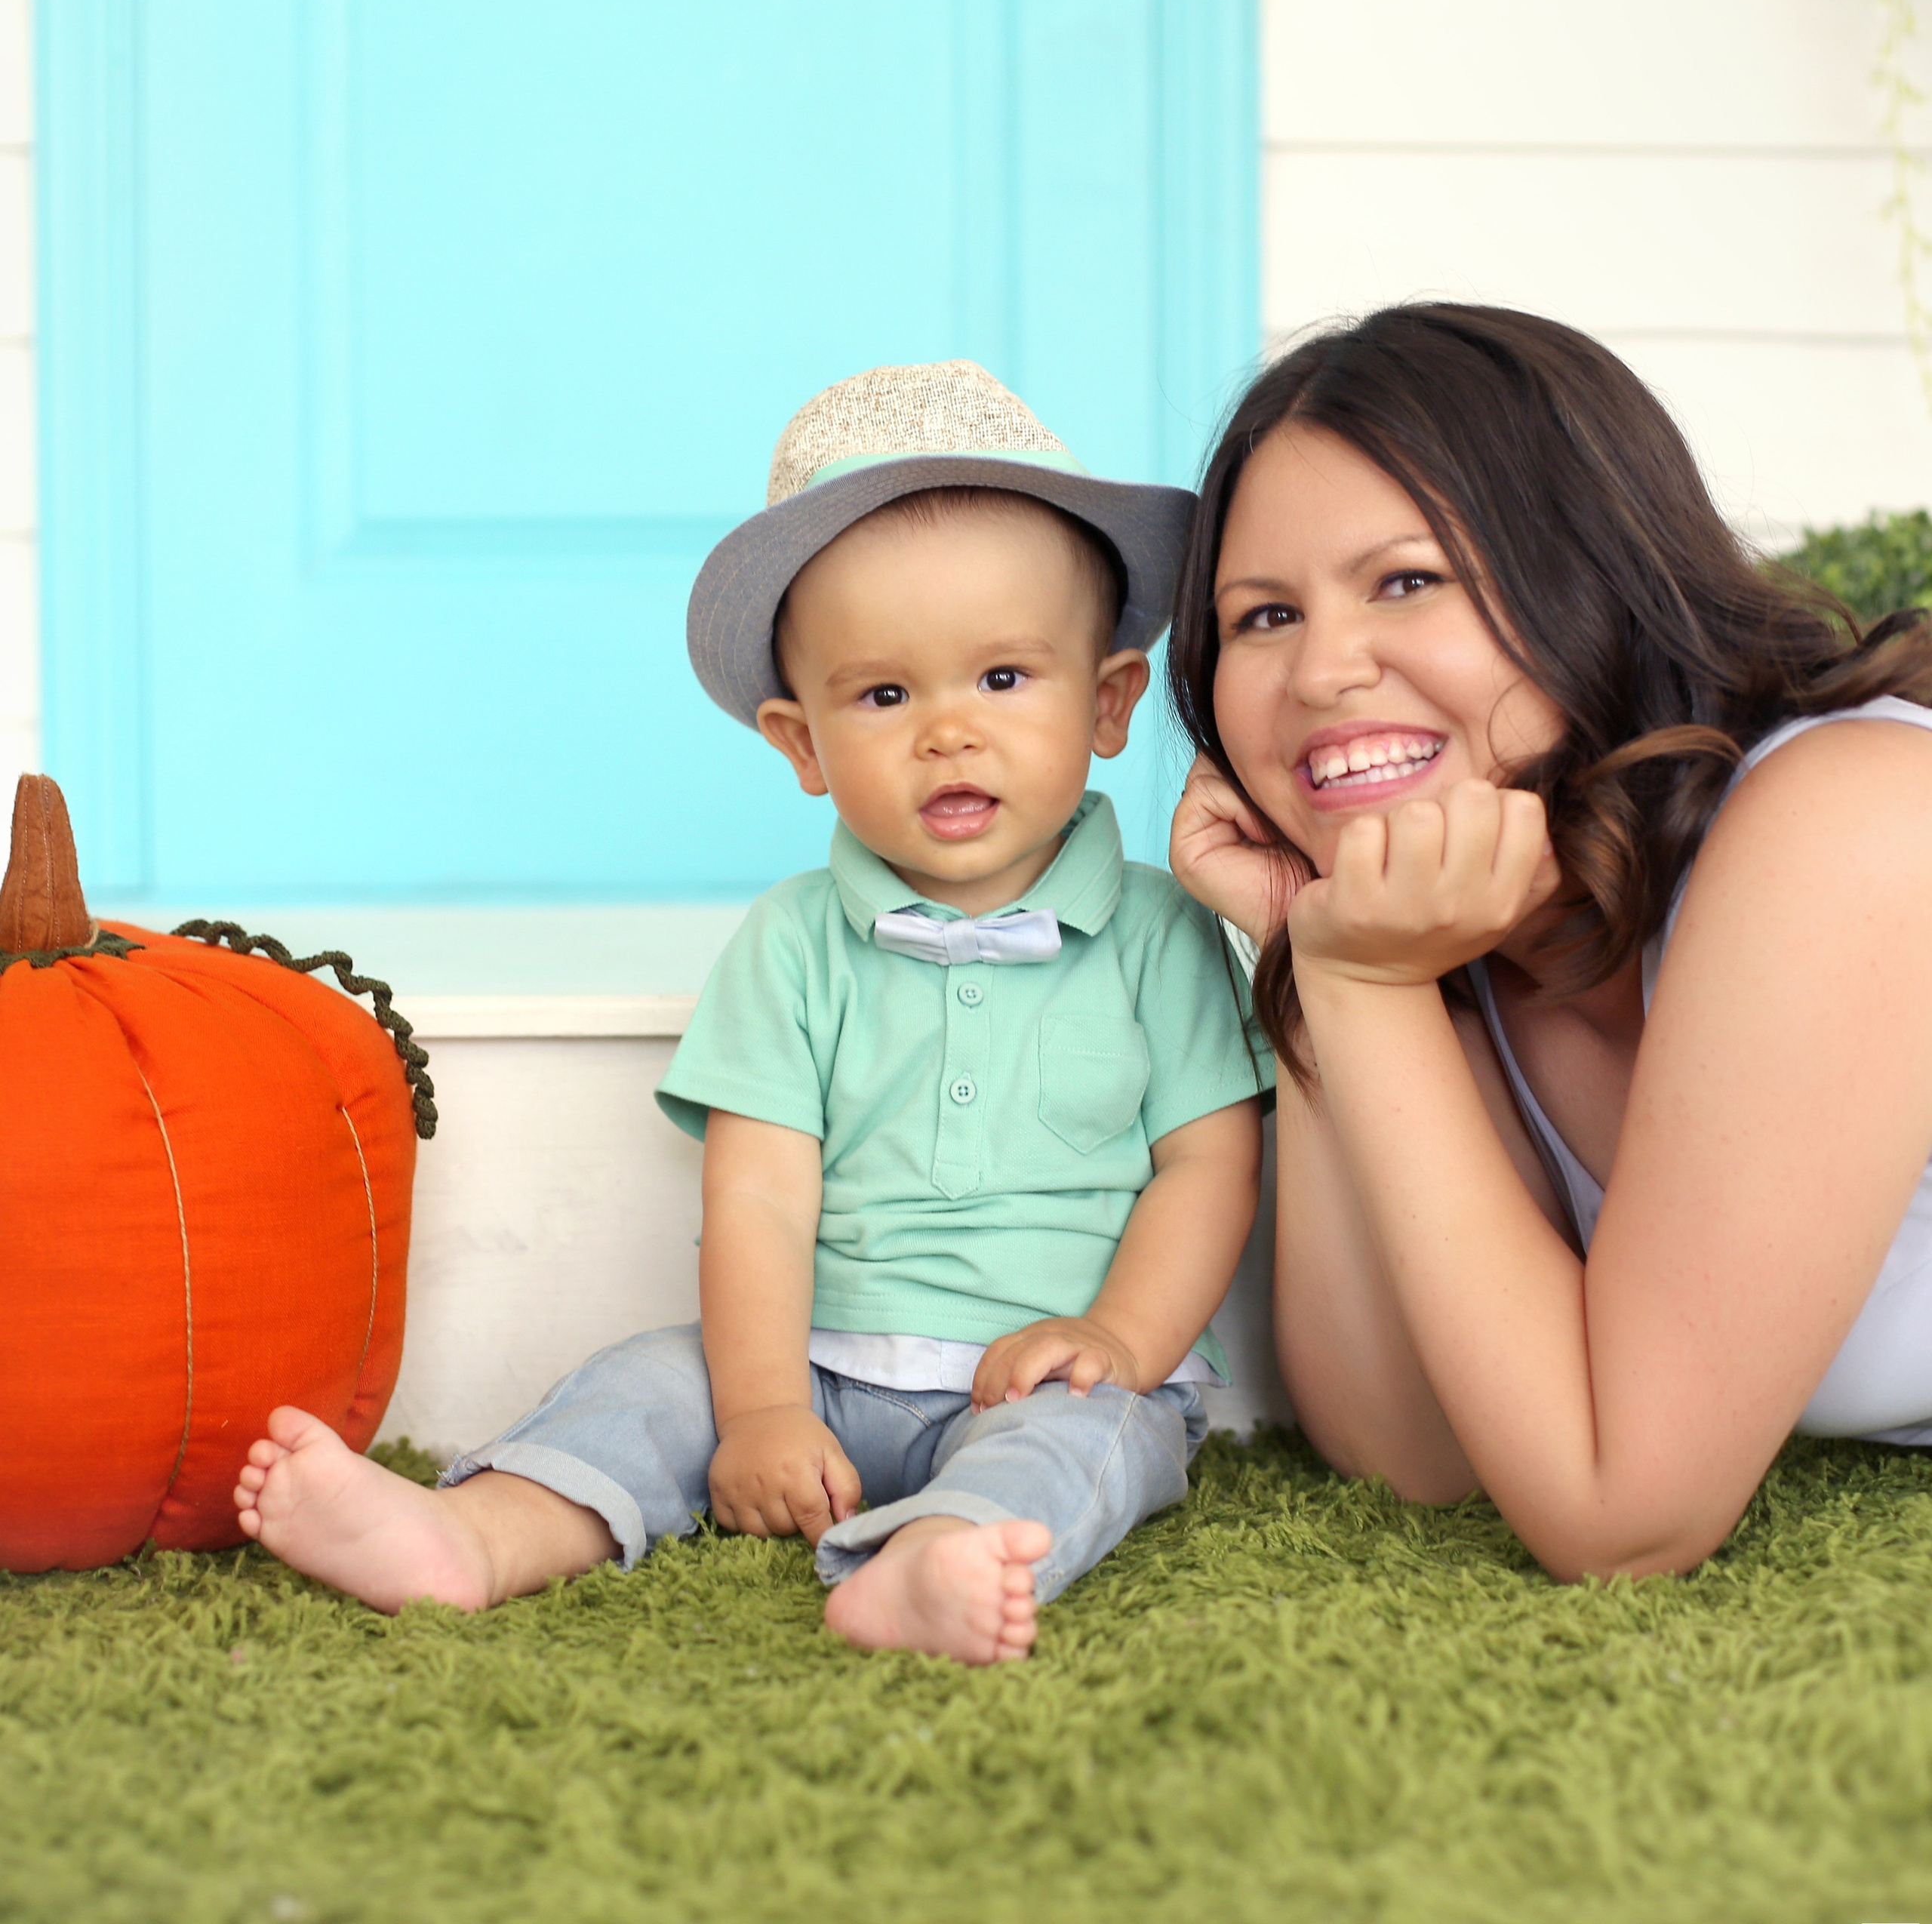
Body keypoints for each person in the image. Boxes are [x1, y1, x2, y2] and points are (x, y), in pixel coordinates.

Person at [234, 360, 1269, 1662]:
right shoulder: (793, 945)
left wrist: (1119, 1337)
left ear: (1109, 702)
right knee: (653, 1382)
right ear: (801, 742)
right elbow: (762, 1198)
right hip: (824, 1359)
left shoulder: (1160, 934)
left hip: (1047, 1366)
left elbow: (1208, 1164)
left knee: (1090, 1444)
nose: (948, 733)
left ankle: (940, 1563)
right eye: (886, 696)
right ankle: (478, 1537)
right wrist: (770, 1405)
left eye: (1004, 678)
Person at [1164, 303, 1932, 1583]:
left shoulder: (1844, 820)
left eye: (1406, 580)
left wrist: (1359, 979)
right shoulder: (1463, 952)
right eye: (1261, 618)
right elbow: (1413, 1451)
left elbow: (1624, 1518)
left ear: (1594, 575)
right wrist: (1321, 962)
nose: (1320, 673)